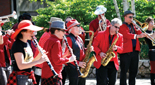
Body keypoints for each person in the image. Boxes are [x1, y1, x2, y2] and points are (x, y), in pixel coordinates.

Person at [7, 20, 48, 85]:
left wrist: (39, 56)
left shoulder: (27, 43)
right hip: (21, 77)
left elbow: (30, 62)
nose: (32, 33)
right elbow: (21, 66)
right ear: (22, 32)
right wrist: (38, 61)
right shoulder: (17, 45)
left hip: (28, 75)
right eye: (30, 31)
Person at [41, 21, 76, 85]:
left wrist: (65, 55)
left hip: (46, 74)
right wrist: (69, 59)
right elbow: (57, 61)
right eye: (63, 31)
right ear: (56, 31)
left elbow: (52, 58)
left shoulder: (49, 40)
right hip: (53, 75)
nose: (65, 33)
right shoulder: (56, 42)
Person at [93, 18, 123, 85]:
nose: (117, 29)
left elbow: (121, 49)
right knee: (102, 82)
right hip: (101, 62)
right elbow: (94, 46)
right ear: (111, 25)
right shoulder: (100, 34)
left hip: (113, 63)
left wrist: (117, 48)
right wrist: (100, 52)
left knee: (112, 82)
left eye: (118, 28)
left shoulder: (120, 36)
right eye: (116, 27)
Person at [119, 10, 146, 85]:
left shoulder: (134, 26)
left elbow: (140, 34)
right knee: (124, 71)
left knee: (134, 71)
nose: (132, 19)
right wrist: (137, 36)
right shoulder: (121, 26)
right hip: (125, 52)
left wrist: (138, 28)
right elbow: (126, 35)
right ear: (125, 17)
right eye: (130, 17)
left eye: (132, 17)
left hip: (135, 51)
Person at [34, 17, 62, 85]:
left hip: (43, 64)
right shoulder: (48, 36)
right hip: (42, 65)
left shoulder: (49, 35)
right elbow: (47, 53)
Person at [65, 19, 93, 85]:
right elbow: (66, 55)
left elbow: (81, 50)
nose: (80, 27)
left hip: (81, 66)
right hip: (73, 67)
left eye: (79, 25)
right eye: (77, 26)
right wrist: (78, 63)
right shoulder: (68, 39)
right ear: (71, 29)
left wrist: (88, 49)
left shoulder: (79, 38)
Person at [144, 17, 155, 85]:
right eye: (151, 21)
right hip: (152, 52)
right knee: (153, 68)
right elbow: (152, 38)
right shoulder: (146, 32)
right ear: (148, 23)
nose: (153, 23)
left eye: (153, 21)